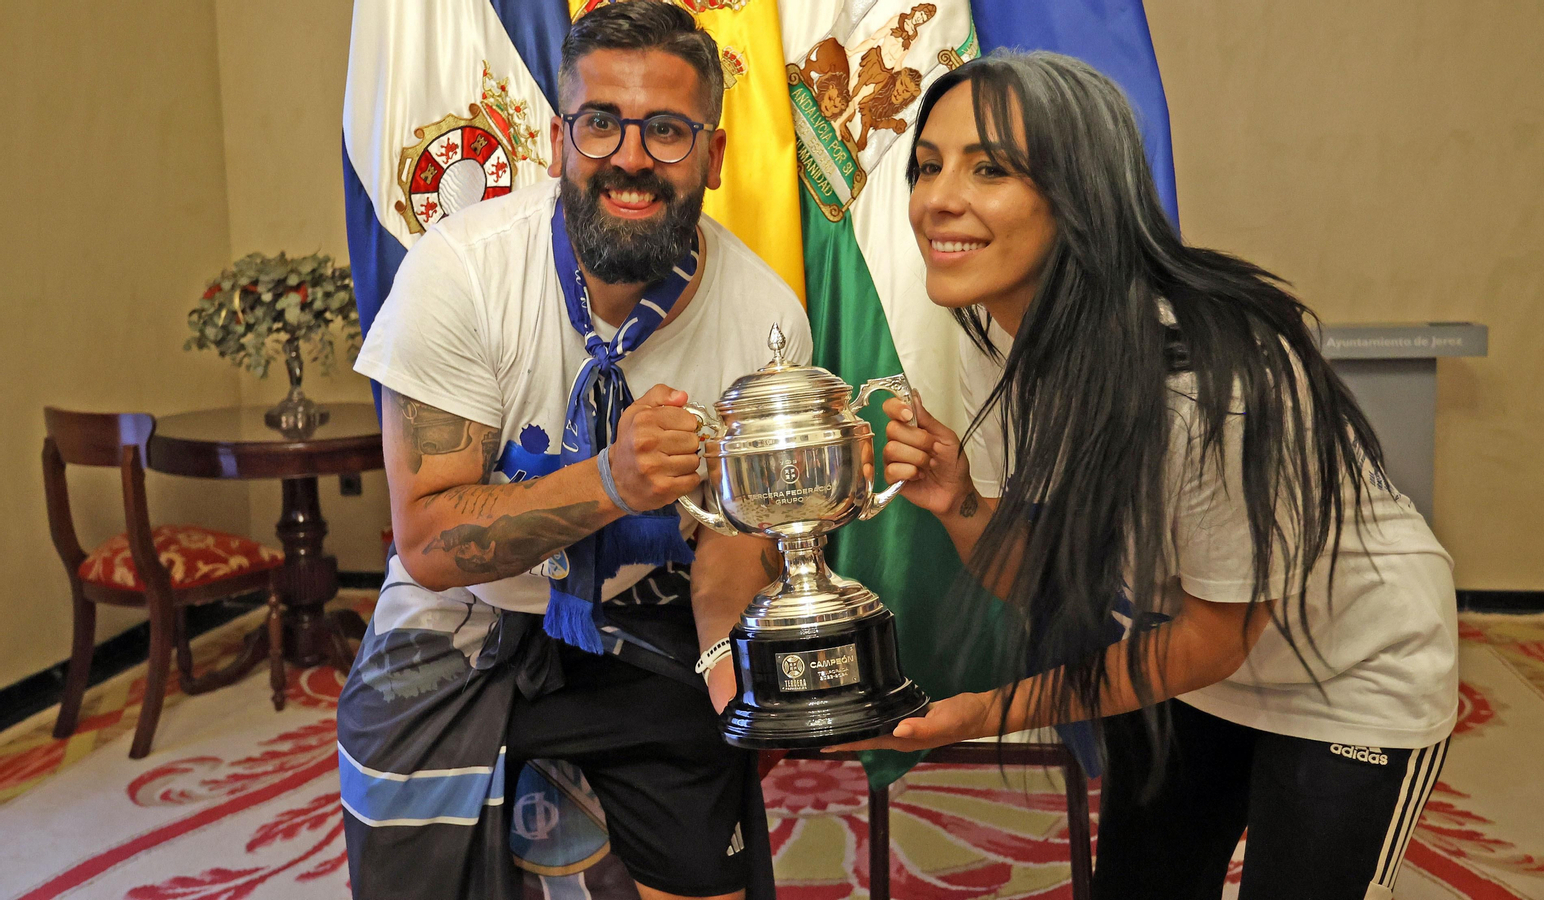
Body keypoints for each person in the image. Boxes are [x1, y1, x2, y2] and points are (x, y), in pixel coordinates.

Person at [841, 52, 1458, 900]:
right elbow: (1053, 585)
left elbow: (1217, 638)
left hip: (1349, 672)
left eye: (989, 168)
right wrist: (961, 505)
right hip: (1178, 655)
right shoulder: (995, 329)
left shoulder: (1209, 379)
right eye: (927, 165)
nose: (935, 200)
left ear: (1081, 193)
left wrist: (986, 711)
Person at [337, 5, 809, 899]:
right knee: (413, 858)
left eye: (667, 130)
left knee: (705, 874)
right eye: (601, 123)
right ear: (559, 141)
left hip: (650, 612)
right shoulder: (460, 272)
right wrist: (611, 483)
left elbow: (731, 548)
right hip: (463, 613)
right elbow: (428, 544)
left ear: (713, 155)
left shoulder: (765, 318)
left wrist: (729, 676)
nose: (631, 157)